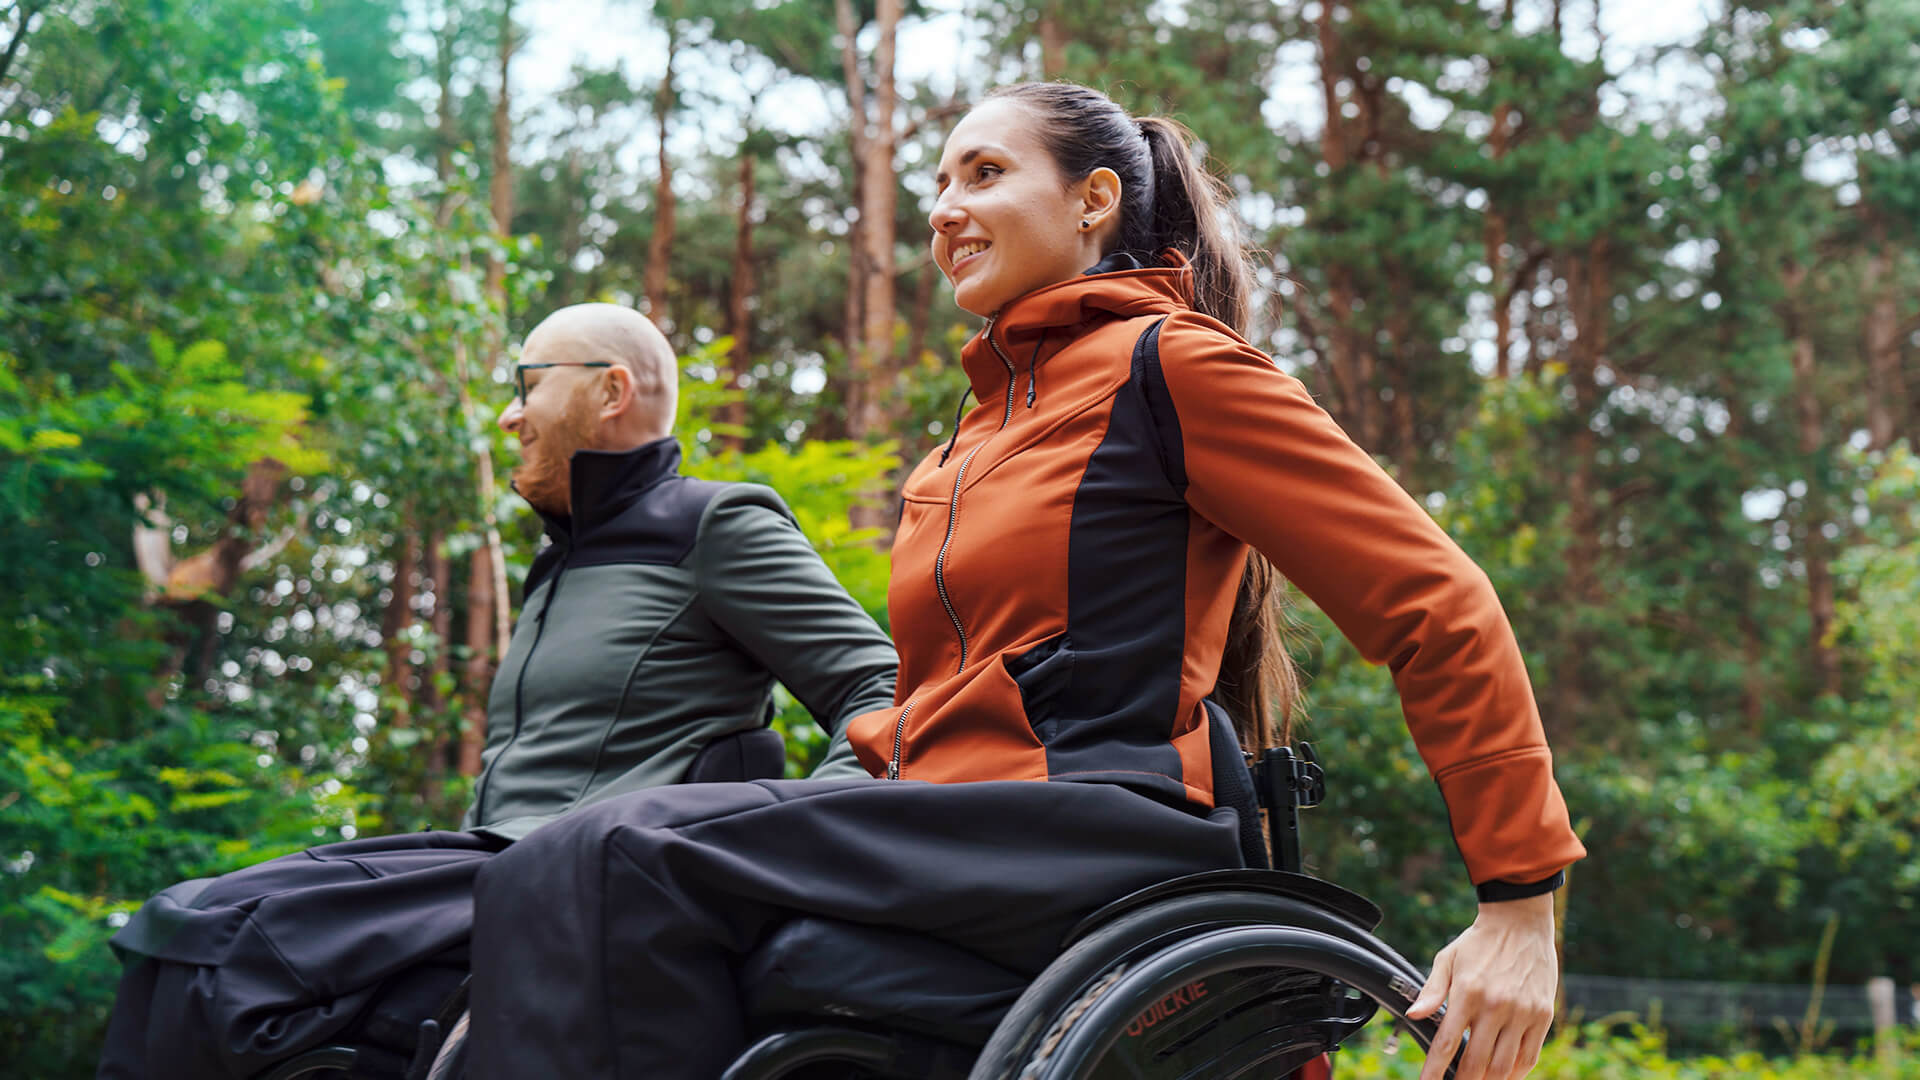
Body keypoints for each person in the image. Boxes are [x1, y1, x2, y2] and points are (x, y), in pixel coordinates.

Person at [462, 84, 1585, 1080]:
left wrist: (1518, 908)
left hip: (1090, 820)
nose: (943, 208)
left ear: (1093, 201)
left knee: (598, 856)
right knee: (552, 880)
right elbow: (953, 692)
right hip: (947, 823)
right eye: (938, 181)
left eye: (985, 174)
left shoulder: (1172, 364)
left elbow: (1434, 598)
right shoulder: (964, 444)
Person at [96, 304, 896, 1079]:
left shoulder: (713, 523)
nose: (510, 417)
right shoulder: (555, 567)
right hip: (489, 873)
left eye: (526, 386)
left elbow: (877, 684)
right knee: (195, 946)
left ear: (610, 392)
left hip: (584, 877)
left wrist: (777, 841)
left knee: (212, 931)